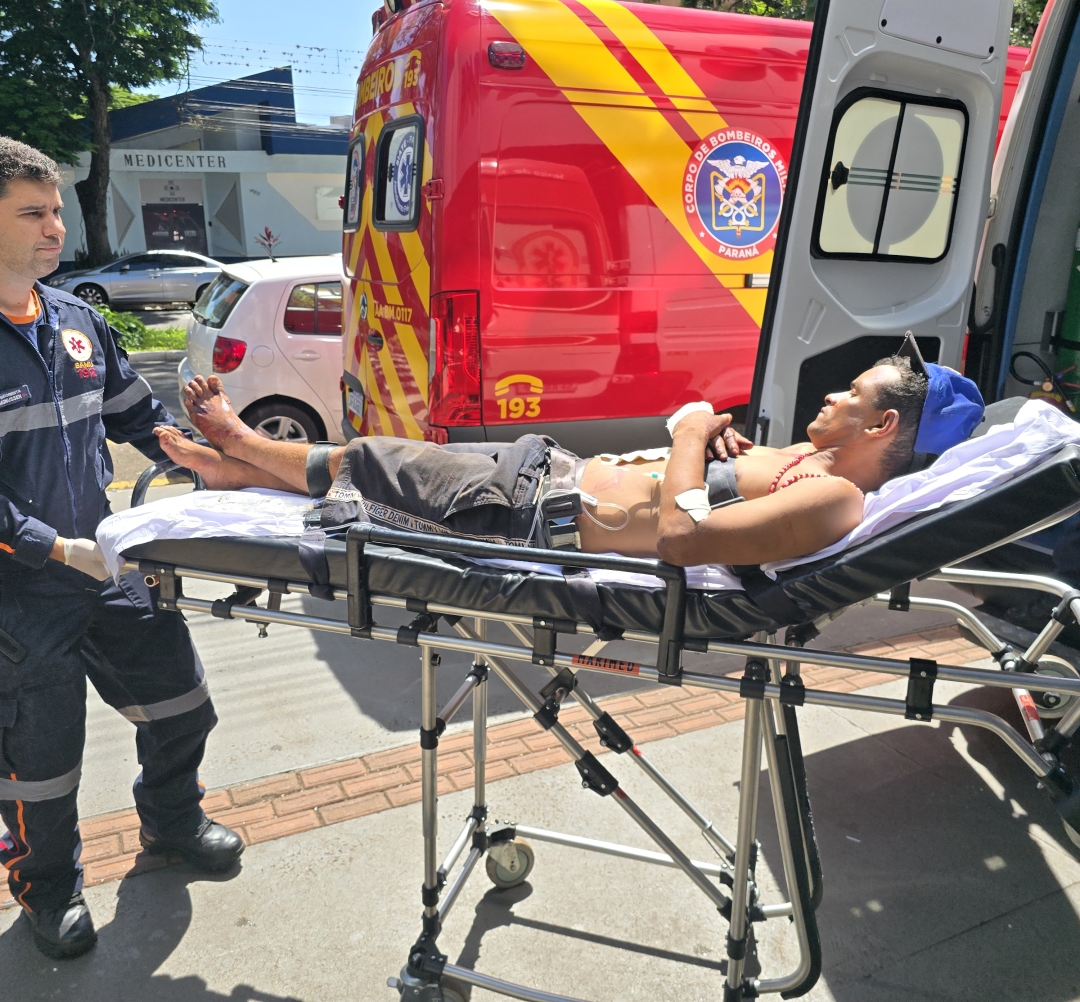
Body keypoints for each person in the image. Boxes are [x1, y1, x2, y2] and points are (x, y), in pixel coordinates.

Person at [0, 138, 242, 960]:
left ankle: (172, 822)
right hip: (21, 588)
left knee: (181, 701)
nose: (55, 227)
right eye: (32, 213)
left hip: (106, 564)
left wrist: (198, 449)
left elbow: (134, 416)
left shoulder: (75, 322)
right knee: (41, 759)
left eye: (57, 209)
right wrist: (55, 550)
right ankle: (50, 888)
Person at [155, 337, 984, 567]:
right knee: (389, 464)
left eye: (855, 394)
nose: (834, 394)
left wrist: (691, 435)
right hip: (544, 478)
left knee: (370, 459)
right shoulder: (813, 470)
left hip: (530, 514)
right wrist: (714, 453)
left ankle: (239, 444)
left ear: (882, 430)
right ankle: (240, 465)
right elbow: (705, 503)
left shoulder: (838, 499)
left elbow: (683, 541)